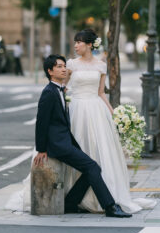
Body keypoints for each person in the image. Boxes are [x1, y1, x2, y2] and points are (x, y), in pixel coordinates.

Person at [64, 29, 156, 213]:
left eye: (79, 42)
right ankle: (72, 195)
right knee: (79, 147)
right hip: (76, 108)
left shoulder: (101, 66)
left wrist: (114, 114)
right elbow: (64, 88)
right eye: (75, 42)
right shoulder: (71, 64)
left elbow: (100, 93)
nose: (76, 45)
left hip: (96, 109)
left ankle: (101, 196)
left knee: (100, 151)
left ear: (90, 45)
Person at [33, 55, 130, 218]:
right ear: (50, 71)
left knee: (92, 168)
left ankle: (70, 203)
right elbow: (41, 122)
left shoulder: (59, 90)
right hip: (58, 145)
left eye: (64, 66)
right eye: (58, 67)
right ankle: (110, 206)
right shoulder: (49, 92)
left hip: (65, 142)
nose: (63, 69)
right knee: (92, 167)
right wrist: (41, 149)